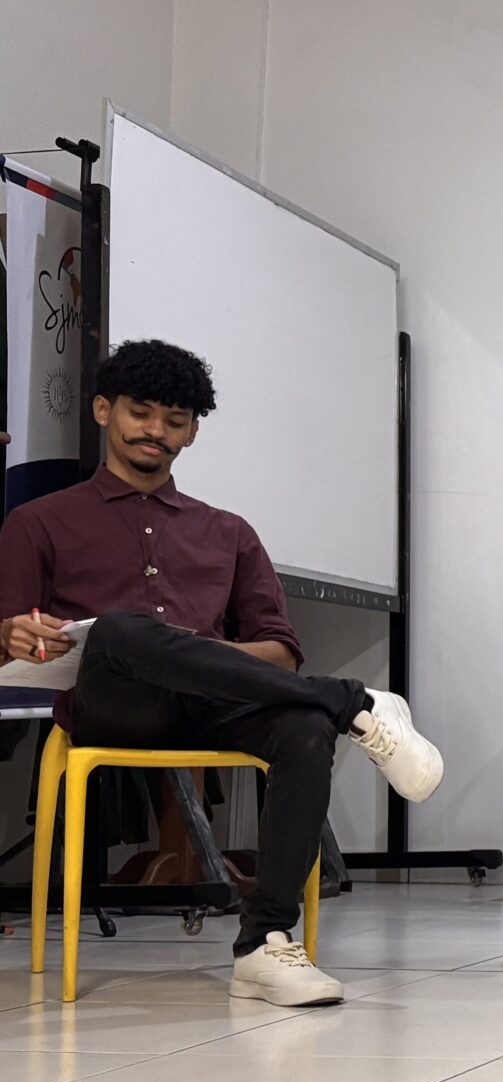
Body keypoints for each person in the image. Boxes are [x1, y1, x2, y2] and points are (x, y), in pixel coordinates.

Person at [0, 339, 442, 1006]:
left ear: (192, 432)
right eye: (140, 412)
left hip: (213, 708)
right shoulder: (37, 521)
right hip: (113, 707)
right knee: (120, 631)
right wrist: (13, 634)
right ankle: (351, 702)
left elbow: (280, 653)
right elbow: (10, 635)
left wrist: (193, 653)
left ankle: (264, 944)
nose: (155, 430)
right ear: (102, 410)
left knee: (302, 726)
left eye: (174, 420)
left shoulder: (229, 531)